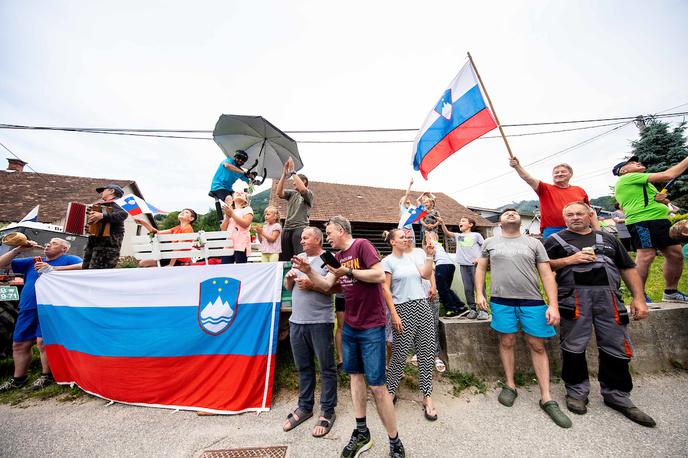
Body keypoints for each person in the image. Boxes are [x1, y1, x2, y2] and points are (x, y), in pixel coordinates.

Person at [291, 215, 405, 458]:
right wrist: (309, 270)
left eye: (330, 232)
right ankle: (362, 432)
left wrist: (349, 272)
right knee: (355, 378)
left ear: (341, 230)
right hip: (351, 327)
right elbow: (325, 285)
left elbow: (377, 276)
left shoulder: (361, 245)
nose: (328, 236)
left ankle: (395, 442)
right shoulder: (339, 257)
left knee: (377, 387)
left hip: (372, 326)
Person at [544, 201, 655, 427]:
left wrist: (639, 298)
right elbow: (543, 267)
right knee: (573, 347)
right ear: (564, 218)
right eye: (570, 214)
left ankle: (617, 395)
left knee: (616, 346)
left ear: (589, 215)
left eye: (579, 213)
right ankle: (576, 392)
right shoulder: (553, 241)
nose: (575, 217)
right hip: (574, 302)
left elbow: (627, 268)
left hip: (610, 301)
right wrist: (570, 260)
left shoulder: (609, 239)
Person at [475, 209, 571, 428]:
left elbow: (546, 274)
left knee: (537, 345)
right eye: (506, 212)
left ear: (520, 221)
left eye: (514, 212)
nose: (511, 213)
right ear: (499, 222)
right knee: (506, 341)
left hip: (533, 301)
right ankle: (510, 385)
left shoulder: (534, 243)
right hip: (501, 300)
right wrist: (479, 293)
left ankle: (546, 397)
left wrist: (553, 304)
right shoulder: (490, 242)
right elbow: (481, 267)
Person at [0, 238, 82, 392]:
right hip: (27, 307)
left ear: (64, 249)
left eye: (54, 243)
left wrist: (53, 269)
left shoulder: (68, 259)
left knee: (42, 341)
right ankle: (19, 378)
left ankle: (46, 376)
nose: (48, 244)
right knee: (19, 344)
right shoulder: (32, 261)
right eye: (48, 242)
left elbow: (84, 266)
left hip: (49, 307)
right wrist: (18, 249)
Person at [282, 227, 337, 437]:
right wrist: (289, 279)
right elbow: (290, 288)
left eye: (305, 238)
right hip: (297, 321)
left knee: (326, 368)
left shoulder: (329, 258)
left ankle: (328, 410)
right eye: (301, 238)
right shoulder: (299, 258)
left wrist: (310, 283)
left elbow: (331, 287)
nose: (302, 241)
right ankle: (305, 407)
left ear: (317, 239)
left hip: (320, 322)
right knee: (303, 367)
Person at [613, 155, 688, 303]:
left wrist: (663, 200)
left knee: (675, 255)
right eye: (633, 163)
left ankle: (670, 293)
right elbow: (669, 175)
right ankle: (639, 296)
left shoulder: (643, 183)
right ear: (623, 170)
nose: (638, 163)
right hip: (643, 221)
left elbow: (659, 200)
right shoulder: (627, 178)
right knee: (646, 256)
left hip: (660, 220)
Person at [381, 228, 438, 421]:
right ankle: (390, 392)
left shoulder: (414, 257)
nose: (406, 239)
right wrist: (394, 315)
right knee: (399, 354)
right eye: (402, 237)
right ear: (392, 242)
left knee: (426, 351)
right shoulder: (387, 261)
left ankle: (427, 396)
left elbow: (425, 275)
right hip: (401, 308)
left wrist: (429, 256)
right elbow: (386, 291)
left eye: (407, 237)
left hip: (422, 305)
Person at [509, 158, 597, 239]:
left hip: (580, 228)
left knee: (585, 254)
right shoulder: (544, 188)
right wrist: (517, 166)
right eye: (556, 172)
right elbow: (528, 178)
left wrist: (599, 233)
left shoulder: (579, 190)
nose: (559, 174)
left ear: (570, 174)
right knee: (554, 255)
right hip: (553, 230)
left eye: (563, 172)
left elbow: (590, 213)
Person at [438, 216, 487, 320]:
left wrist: (479, 259)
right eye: (460, 221)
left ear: (470, 225)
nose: (460, 222)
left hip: (476, 266)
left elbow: (485, 247)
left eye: (463, 221)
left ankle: (483, 310)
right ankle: (472, 309)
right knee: (468, 289)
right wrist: (442, 223)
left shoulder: (476, 235)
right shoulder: (458, 236)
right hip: (463, 266)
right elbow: (447, 233)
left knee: (479, 288)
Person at [83, 184, 128, 269]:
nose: (102, 193)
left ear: (111, 191)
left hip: (107, 245)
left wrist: (102, 216)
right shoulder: (102, 205)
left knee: (97, 273)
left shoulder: (120, 202)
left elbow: (123, 214)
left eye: (104, 190)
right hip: (96, 243)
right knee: (87, 271)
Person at [277, 157, 313, 261]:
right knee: (284, 258)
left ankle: (301, 276)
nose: (293, 183)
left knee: (300, 258)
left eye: (295, 181)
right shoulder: (292, 193)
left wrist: (293, 171)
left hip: (300, 228)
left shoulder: (309, 194)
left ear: (304, 181)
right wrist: (284, 174)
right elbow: (279, 193)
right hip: (287, 228)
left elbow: (302, 189)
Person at [425, 231, 465, 317]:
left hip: (442, 265)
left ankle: (451, 309)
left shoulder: (433, 242)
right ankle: (460, 306)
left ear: (433, 237)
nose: (426, 240)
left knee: (442, 289)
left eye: (427, 238)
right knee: (446, 289)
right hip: (450, 265)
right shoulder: (439, 246)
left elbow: (430, 239)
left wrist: (427, 234)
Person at [220, 191, 253, 264]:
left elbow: (246, 224)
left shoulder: (247, 209)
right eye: (236, 192)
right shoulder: (230, 211)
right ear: (233, 198)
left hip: (241, 244)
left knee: (240, 269)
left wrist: (232, 214)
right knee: (225, 268)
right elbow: (223, 229)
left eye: (242, 193)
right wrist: (227, 217)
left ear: (246, 200)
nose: (239, 192)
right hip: (228, 244)